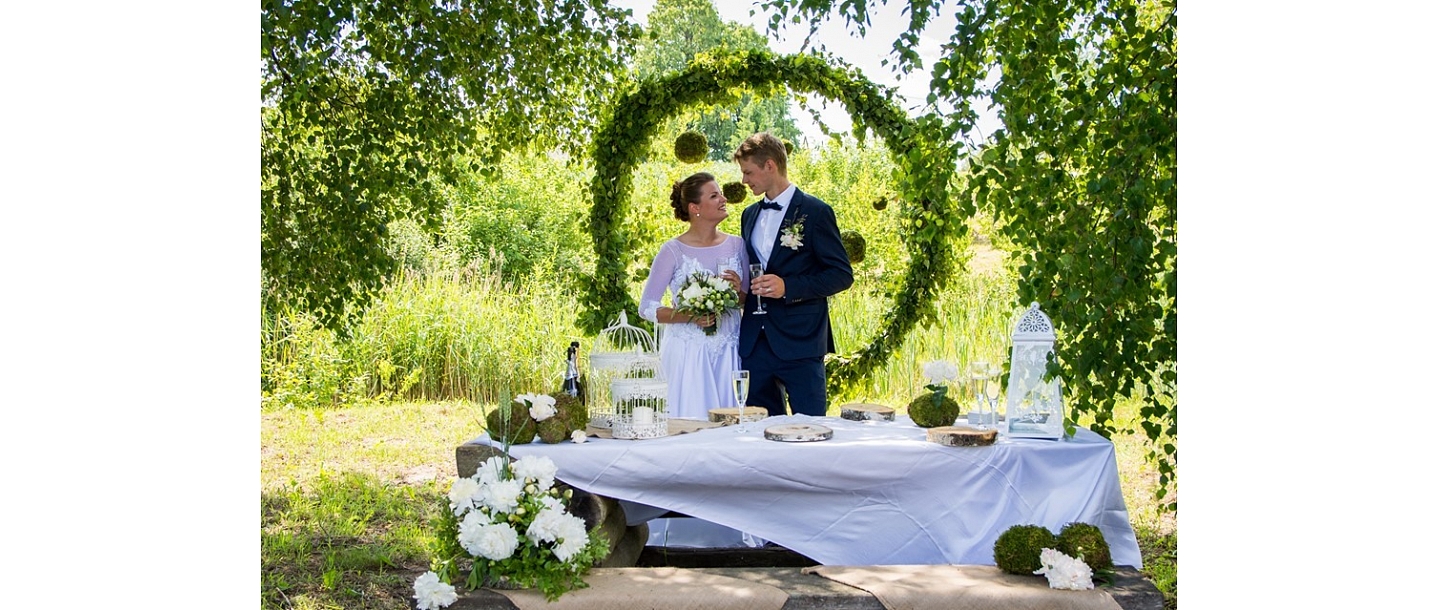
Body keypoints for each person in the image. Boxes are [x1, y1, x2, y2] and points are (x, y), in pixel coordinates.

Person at [734, 133, 854, 417]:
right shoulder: (749, 215)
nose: (744, 181)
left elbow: (841, 274)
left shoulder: (816, 211)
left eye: (748, 172)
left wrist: (787, 286)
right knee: (758, 430)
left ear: (770, 166)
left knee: (810, 430)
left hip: (801, 341)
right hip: (755, 343)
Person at [638, 172, 750, 420]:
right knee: (689, 422)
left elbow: (748, 300)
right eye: (714, 195)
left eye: (720, 193)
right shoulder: (672, 251)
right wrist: (689, 316)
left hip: (729, 350)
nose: (723, 199)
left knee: (731, 424)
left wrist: (739, 290)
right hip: (689, 354)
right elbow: (646, 307)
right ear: (694, 208)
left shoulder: (737, 245)